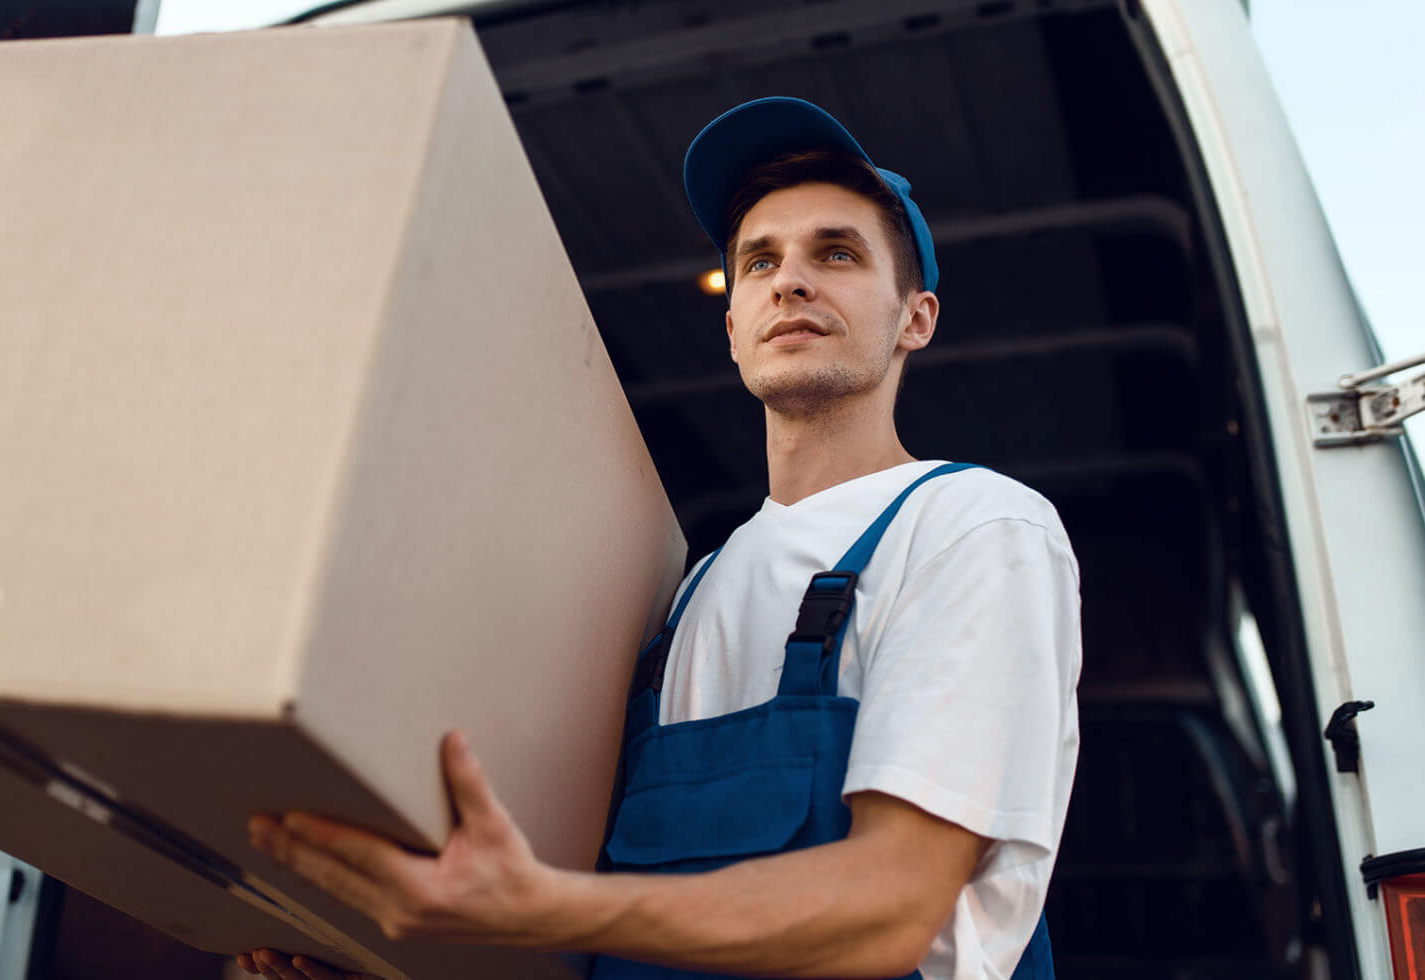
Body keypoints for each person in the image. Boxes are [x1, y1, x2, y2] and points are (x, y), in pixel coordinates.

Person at [237, 97, 1081, 980]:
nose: (790, 280)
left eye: (836, 252)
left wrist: (533, 909)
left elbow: (895, 910)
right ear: (731, 326)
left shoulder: (972, 528)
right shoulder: (683, 595)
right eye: (759, 262)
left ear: (917, 318)